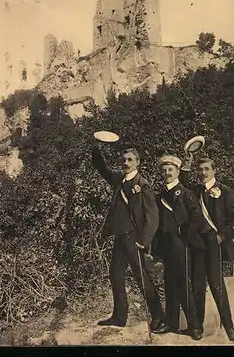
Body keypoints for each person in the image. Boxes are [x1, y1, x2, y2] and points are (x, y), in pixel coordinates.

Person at [91, 142, 165, 331]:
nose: (126, 163)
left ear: (137, 162)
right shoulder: (119, 179)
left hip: (134, 238)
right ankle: (119, 317)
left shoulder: (143, 185)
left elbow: (153, 217)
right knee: (115, 275)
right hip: (119, 238)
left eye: (130, 160)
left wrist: (144, 241)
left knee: (142, 278)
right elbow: (103, 169)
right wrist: (96, 150)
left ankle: (158, 316)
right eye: (124, 160)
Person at [180, 153, 234, 341]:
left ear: (215, 170)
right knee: (197, 285)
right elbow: (182, 184)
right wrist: (187, 165)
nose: (203, 172)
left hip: (214, 242)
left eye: (207, 169)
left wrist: (221, 236)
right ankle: (197, 328)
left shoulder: (225, 191)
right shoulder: (195, 190)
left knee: (217, 285)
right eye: (200, 169)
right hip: (198, 243)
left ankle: (229, 327)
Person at [152, 154, 205, 340]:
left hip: (181, 244)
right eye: (164, 170)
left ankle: (195, 327)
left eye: (171, 170)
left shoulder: (185, 193)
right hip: (166, 246)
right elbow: (157, 224)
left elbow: (197, 217)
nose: (167, 173)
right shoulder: (159, 196)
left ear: (177, 172)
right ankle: (171, 322)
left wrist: (185, 234)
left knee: (183, 284)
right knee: (170, 284)